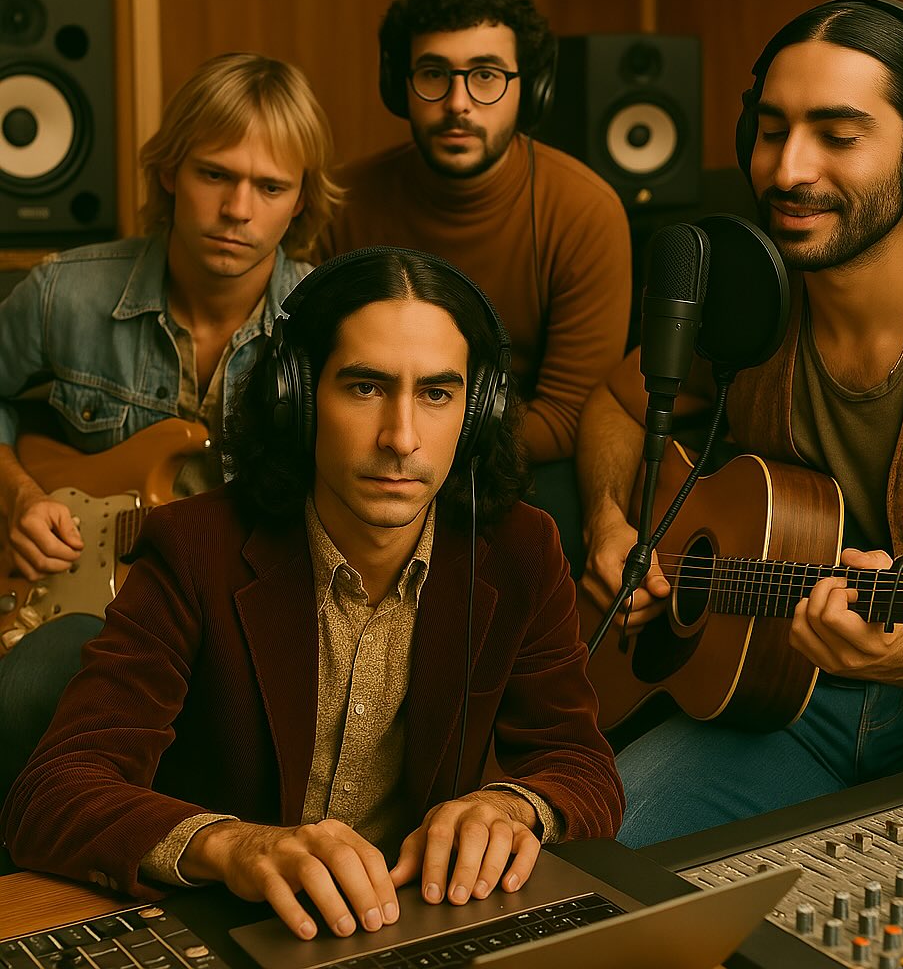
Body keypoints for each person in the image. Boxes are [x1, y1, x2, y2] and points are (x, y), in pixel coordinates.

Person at [1, 246, 624, 940]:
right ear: (295, 399)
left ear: (477, 413)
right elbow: (54, 794)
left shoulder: (520, 551)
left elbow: (582, 766)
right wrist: (233, 845)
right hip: (231, 928)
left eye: (437, 394)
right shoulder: (193, 549)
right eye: (365, 387)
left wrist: (512, 807)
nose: (402, 438)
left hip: (409, 926)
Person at [575, 0, 903, 847]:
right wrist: (608, 526)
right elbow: (614, 403)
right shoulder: (748, 311)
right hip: (782, 707)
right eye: (772, 131)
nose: (787, 170)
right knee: (594, 860)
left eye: (837, 135)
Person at [0, 52, 342, 798]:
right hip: (83, 603)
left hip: (247, 612)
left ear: (301, 202)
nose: (237, 209)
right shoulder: (62, 294)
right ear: (169, 172)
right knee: (25, 690)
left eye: (270, 187)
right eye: (215, 174)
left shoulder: (331, 328)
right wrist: (19, 495)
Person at [331, 0, 632, 573]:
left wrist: (430, 452)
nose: (458, 103)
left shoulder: (585, 211)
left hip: (515, 467)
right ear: (398, 85)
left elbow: (570, 415)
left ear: (532, 90)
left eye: (487, 75)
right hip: (367, 451)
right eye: (433, 74)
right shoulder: (343, 202)